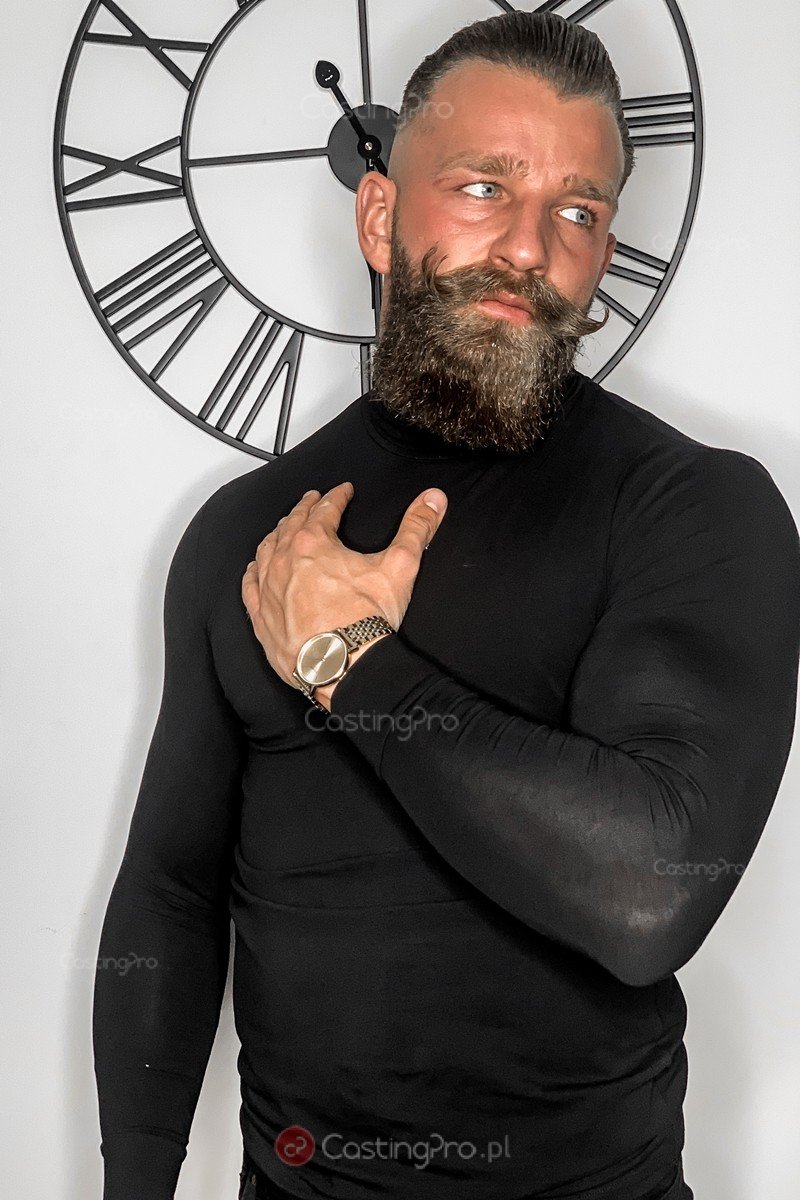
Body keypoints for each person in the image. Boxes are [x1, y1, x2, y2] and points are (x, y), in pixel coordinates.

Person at [93, 12, 800, 1200]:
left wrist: (351, 663)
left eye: (576, 211)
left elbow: (649, 893)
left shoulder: (689, 507)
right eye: (482, 187)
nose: (527, 246)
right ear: (378, 216)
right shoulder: (249, 535)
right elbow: (171, 892)